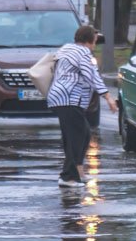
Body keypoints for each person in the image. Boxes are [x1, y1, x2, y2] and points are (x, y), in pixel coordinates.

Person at [46, 25, 117, 188]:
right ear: (90, 40)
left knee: (82, 133)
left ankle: (78, 172)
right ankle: (68, 177)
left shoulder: (66, 48)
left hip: (60, 97)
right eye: (95, 40)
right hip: (69, 98)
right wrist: (108, 97)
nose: (95, 44)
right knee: (76, 137)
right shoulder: (83, 53)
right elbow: (92, 76)